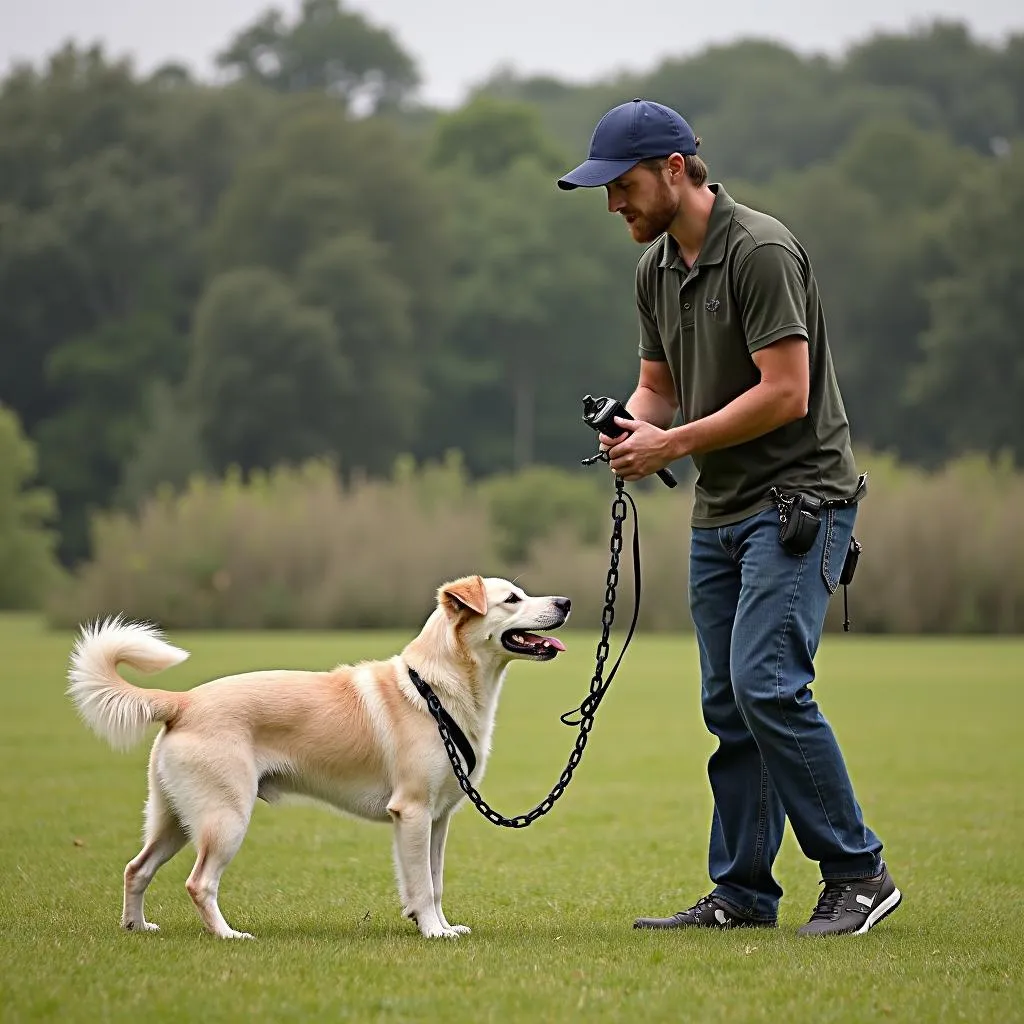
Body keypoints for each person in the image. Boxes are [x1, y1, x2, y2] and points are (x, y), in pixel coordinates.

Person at [556, 98, 901, 937]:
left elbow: (785, 393)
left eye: (625, 186)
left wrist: (669, 445)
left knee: (767, 685)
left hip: (800, 501)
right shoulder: (655, 268)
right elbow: (659, 390)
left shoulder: (762, 251)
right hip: (719, 511)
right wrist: (636, 428)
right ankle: (743, 894)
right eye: (605, 191)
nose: (614, 206)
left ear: (676, 169)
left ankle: (859, 871)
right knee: (728, 702)